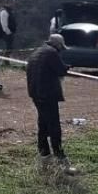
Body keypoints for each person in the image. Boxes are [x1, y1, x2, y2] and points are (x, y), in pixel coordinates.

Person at [26, 34, 75, 174]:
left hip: (35, 92)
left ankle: (44, 157)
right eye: (61, 48)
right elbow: (60, 70)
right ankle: (61, 160)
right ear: (58, 45)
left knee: (43, 124)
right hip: (47, 94)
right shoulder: (52, 52)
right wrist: (67, 67)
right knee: (54, 127)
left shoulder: (37, 52)